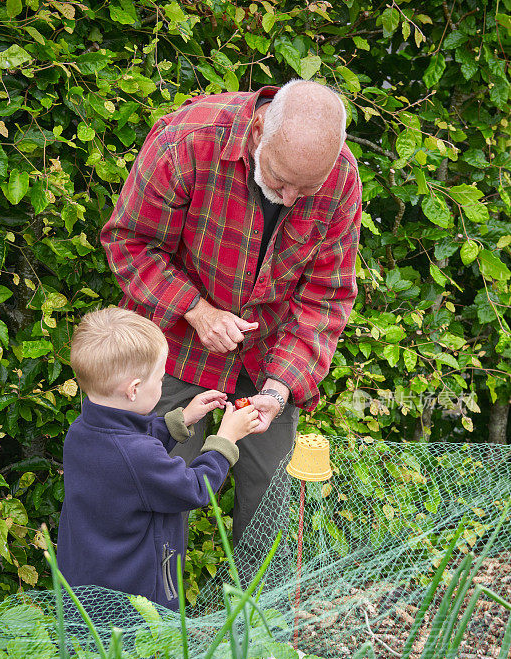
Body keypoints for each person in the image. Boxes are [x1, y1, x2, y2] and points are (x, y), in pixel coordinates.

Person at [101, 79, 361, 545]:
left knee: (272, 520)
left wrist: (281, 388)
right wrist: (197, 311)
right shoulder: (187, 141)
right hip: (175, 354)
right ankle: (149, 619)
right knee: (148, 506)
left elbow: (325, 297)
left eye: (306, 190)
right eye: (280, 181)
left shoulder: (340, 178)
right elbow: (129, 242)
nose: (289, 199)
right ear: (259, 129)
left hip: (267, 364)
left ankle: (260, 619)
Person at [56, 308, 258, 610]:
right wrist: (225, 439)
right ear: (134, 389)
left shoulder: (82, 431)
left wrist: (181, 419)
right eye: (161, 379)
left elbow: (129, 446)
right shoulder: (137, 456)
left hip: (88, 582)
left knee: (91, 652)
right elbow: (194, 489)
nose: (162, 385)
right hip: (137, 596)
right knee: (141, 658)